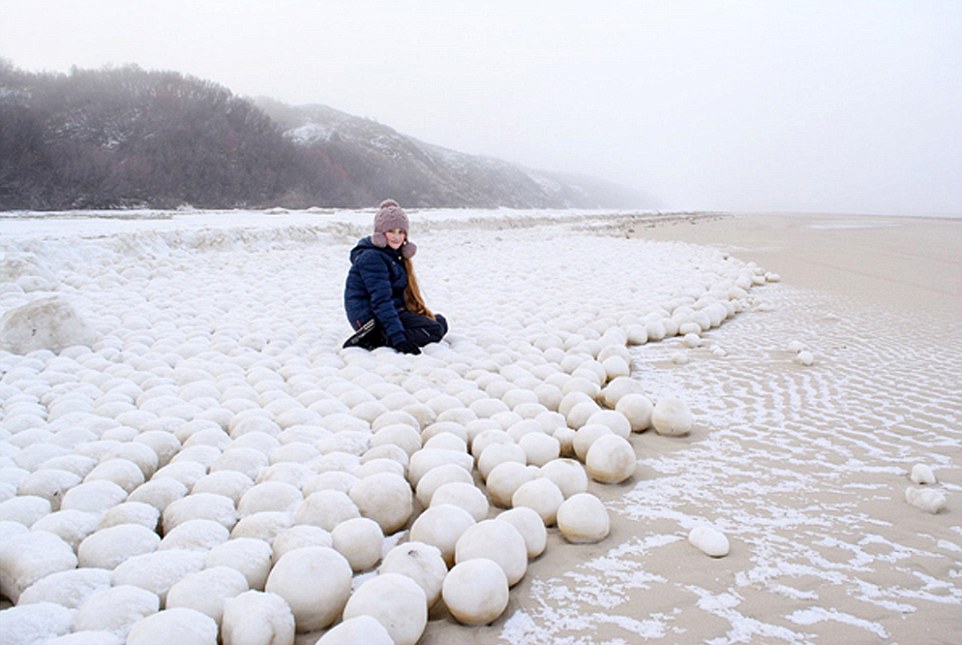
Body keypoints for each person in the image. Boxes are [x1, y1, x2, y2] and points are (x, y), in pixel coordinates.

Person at [343, 199, 448, 355]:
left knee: (440, 321)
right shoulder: (372, 258)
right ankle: (380, 338)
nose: (396, 237)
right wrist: (399, 339)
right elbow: (381, 301)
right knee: (434, 329)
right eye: (391, 231)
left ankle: (387, 333)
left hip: (390, 311)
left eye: (401, 232)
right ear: (380, 234)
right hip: (370, 319)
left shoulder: (392, 256)